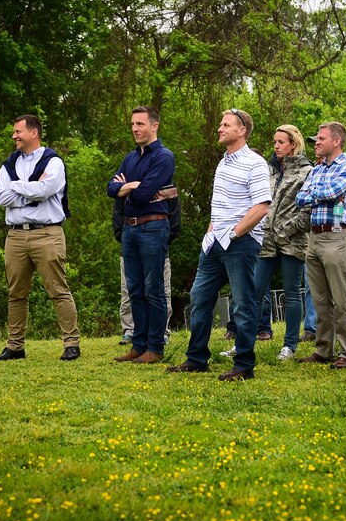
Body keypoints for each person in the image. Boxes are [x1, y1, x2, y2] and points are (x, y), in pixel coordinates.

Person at [167, 109, 271, 380]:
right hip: (214, 243)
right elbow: (220, 206)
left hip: (241, 242)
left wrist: (235, 234)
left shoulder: (255, 163)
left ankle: (244, 365)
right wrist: (211, 232)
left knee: (243, 303)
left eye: (226, 125)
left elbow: (261, 206)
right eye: (220, 124)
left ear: (242, 130)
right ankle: (197, 358)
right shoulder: (222, 163)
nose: (219, 128)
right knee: (199, 298)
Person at [0, 114, 81, 362]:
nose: (14, 136)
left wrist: (16, 187)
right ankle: (15, 346)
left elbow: (46, 190)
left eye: (18, 131)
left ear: (33, 133)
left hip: (47, 233)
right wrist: (30, 189)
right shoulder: (8, 164)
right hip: (15, 236)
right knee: (16, 293)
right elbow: (2, 198)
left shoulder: (53, 162)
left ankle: (71, 343)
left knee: (58, 290)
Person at [108, 106, 176, 364]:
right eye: (133, 124)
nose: (135, 129)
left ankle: (155, 348)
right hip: (129, 228)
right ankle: (139, 344)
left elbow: (143, 194)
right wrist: (127, 187)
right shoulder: (130, 158)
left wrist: (127, 189)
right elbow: (110, 188)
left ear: (154, 126)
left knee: (153, 288)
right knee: (134, 289)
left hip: (153, 227)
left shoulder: (164, 157)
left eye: (140, 124)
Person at [294, 122, 346, 369]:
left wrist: (317, 193)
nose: (316, 143)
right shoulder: (316, 170)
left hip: (337, 237)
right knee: (320, 299)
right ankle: (324, 350)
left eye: (321, 139)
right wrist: (319, 193)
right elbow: (299, 198)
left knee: (340, 298)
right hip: (314, 237)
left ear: (336, 141)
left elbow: (334, 192)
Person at [251, 124, 312, 361]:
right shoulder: (269, 169)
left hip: (292, 240)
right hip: (266, 239)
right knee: (254, 290)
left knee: (292, 293)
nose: (276, 146)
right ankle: (244, 341)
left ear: (293, 144)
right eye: (274, 142)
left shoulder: (307, 171)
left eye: (281, 142)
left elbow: (308, 211)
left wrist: (286, 230)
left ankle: (289, 346)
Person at [113, 191, 177, 346]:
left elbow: (174, 219)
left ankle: (161, 332)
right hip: (130, 247)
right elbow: (118, 215)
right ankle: (130, 331)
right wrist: (125, 238)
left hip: (158, 247)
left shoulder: (166, 186)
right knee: (129, 291)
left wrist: (161, 240)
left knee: (160, 290)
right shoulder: (126, 188)